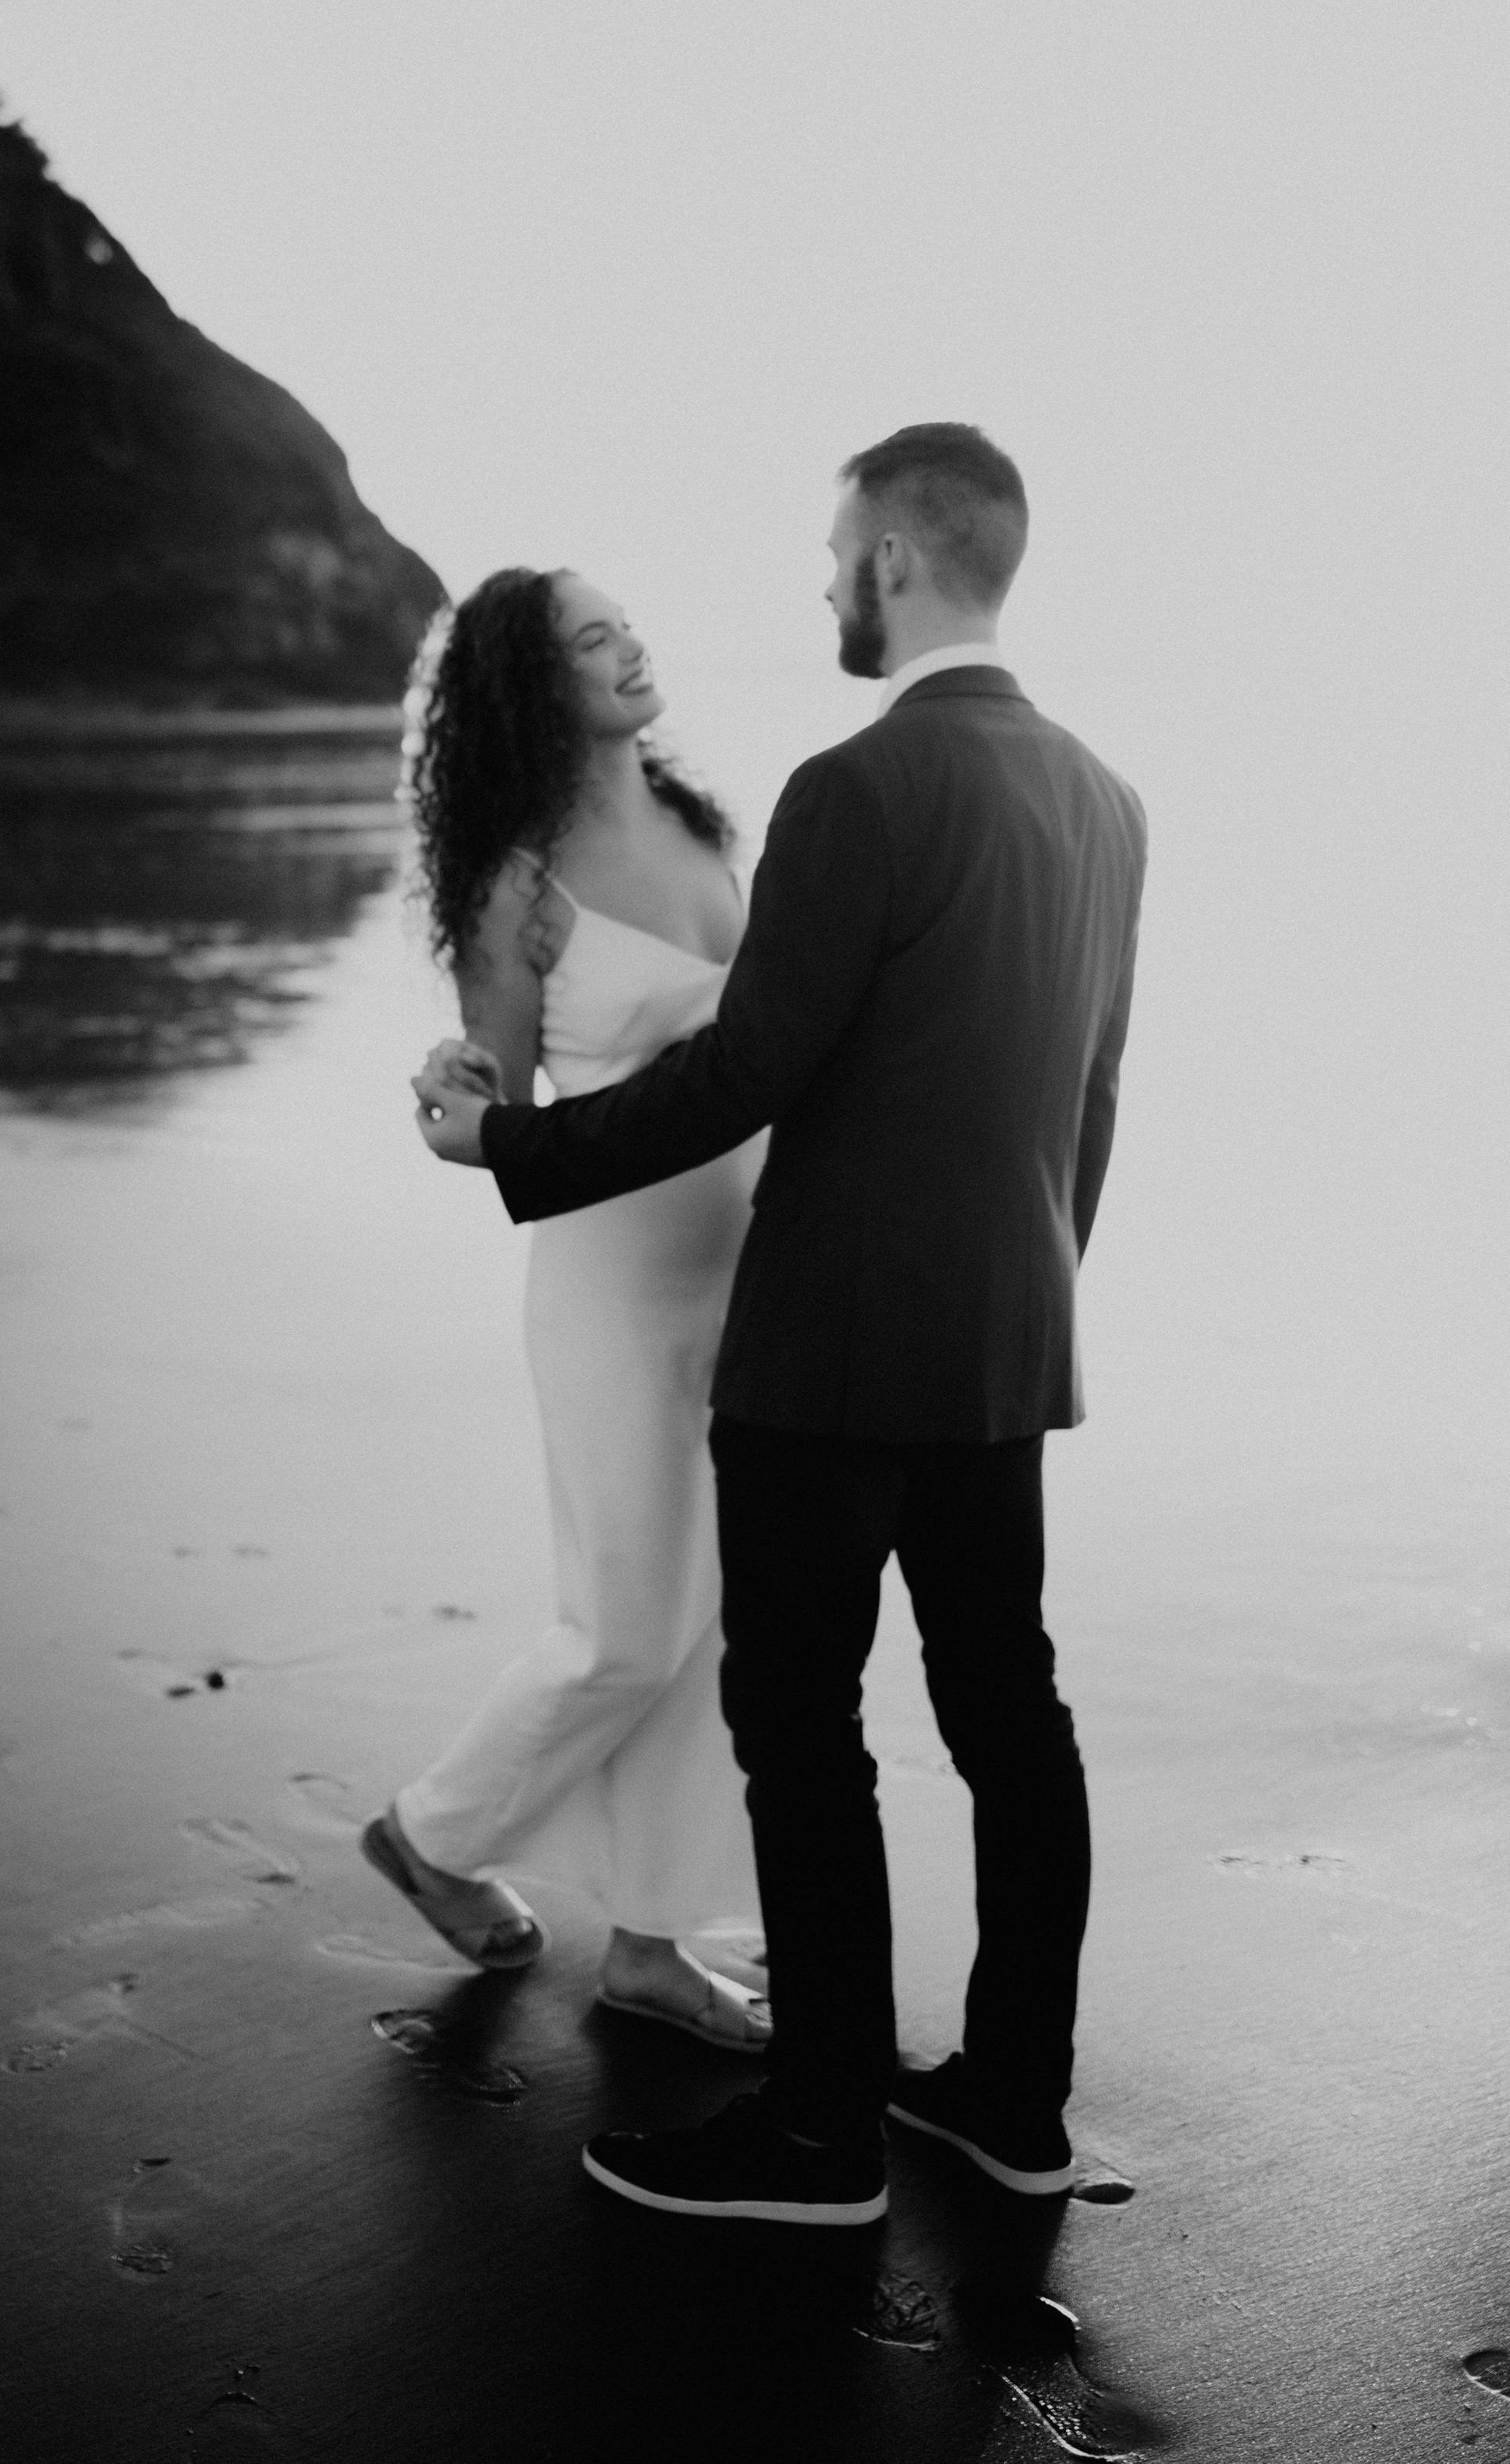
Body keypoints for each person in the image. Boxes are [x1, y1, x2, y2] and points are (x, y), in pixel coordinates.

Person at [415, 423, 1147, 2230]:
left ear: (892, 559)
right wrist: (1029, 1288)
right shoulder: (1102, 797)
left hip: (820, 1349)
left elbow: (748, 1067)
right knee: (1009, 1718)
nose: (826, 585)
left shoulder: (851, 787)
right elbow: (1089, 1095)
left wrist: (507, 1146)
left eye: (836, 556)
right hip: (1003, 1342)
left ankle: (819, 2136)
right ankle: (1013, 2105)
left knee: (800, 1729)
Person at [362, 564, 774, 2051]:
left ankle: (652, 1949)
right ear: (540, 688)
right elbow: (497, 1102)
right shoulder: (520, 887)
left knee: (718, 1622)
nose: (629, 649)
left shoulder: (703, 826)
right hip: (610, 1289)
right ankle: (431, 1832)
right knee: (626, 1627)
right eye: (594, 641)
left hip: (753, 1271)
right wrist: (450, 1082)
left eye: (626, 624)